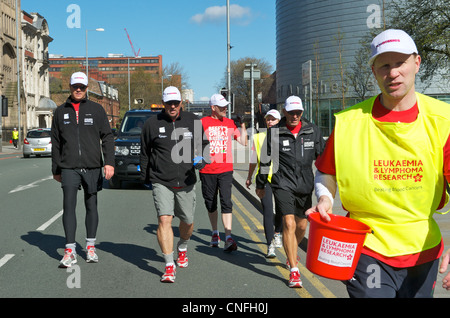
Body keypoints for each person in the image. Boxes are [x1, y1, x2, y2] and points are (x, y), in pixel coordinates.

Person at [306, 29, 450, 297]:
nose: (393, 72)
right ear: (373, 71)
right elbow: (326, 172)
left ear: (417, 63)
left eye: (400, 63)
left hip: (423, 250)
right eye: (384, 65)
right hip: (367, 247)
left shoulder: (444, 120)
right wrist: (325, 198)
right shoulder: (349, 122)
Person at [140, 86, 209, 283]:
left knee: (187, 221)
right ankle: (169, 265)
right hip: (161, 180)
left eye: (176, 103)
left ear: (181, 103)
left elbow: (205, 145)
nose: (172, 106)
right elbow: (145, 152)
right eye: (169, 103)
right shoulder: (152, 124)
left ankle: (183, 247)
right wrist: (145, 178)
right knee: (164, 220)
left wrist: (202, 160)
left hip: (186, 181)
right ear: (163, 103)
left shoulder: (192, 121)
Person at [255, 96, 325, 288]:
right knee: (288, 221)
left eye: (298, 112)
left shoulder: (312, 131)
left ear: (302, 112)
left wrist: (331, 183)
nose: (294, 116)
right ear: (284, 112)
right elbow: (265, 161)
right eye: (291, 112)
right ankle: (294, 270)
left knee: (302, 226)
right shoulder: (275, 133)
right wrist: (260, 185)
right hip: (282, 183)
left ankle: (291, 253)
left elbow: (323, 159)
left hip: (305, 185)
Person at [51, 71, 115, 268]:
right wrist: (56, 169)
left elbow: (107, 137)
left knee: (91, 205)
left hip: (93, 165)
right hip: (69, 167)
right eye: (75, 86)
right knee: (68, 206)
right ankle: (70, 250)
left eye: (82, 87)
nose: (78, 90)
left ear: (87, 89)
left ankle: (90, 247)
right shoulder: (60, 111)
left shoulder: (96, 110)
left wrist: (109, 162)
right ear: (70, 87)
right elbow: (56, 142)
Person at [199, 93, 247, 252]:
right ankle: (214, 232)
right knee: (210, 202)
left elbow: (244, 142)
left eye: (226, 106)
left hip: (225, 169)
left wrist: (243, 125)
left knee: (226, 201)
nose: (225, 109)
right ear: (213, 108)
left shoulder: (229, 123)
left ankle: (228, 236)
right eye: (222, 107)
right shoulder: (202, 123)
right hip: (207, 170)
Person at [246, 109, 283, 258]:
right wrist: (249, 177)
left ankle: (277, 232)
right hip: (264, 178)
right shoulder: (258, 137)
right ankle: (270, 244)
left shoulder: (283, 136)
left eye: (273, 119)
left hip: (281, 178)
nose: (270, 122)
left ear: (279, 121)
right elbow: (254, 159)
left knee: (281, 210)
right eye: (268, 119)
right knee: (268, 211)